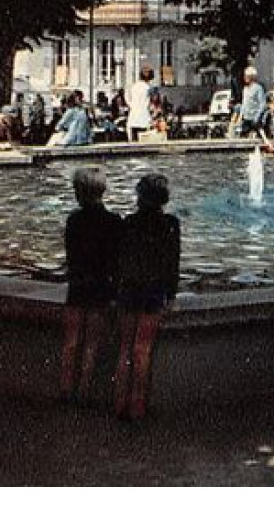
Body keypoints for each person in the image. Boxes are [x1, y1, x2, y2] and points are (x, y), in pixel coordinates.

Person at [114, 173, 182, 421]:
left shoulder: (128, 223)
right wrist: (171, 295)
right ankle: (138, 406)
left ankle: (119, 403)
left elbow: (120, 260)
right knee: (142, 351)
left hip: (129, 289)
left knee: (125, 349)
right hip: (153, 292)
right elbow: (172, 262)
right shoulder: (171, 224)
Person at [60, 166, 122, 403]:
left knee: (71, 341)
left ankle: (66, 388)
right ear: (102, 190)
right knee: (91, 343)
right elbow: (116, 260)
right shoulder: (113, 221)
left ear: (79, 191)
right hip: (101, 287)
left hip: (78, 285)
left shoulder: (74, 220)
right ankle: (84, 390)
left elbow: (70, 255)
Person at [235, 67, 267, 140]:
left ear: (251, 77)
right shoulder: (245, 89)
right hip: (246, 118)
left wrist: (258, 116)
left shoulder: (258, 88)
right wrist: (240, 116)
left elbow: (262, 104)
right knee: (242, 136)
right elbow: (244, 103)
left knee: (262, 137)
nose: (244, 78)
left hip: (255, 118)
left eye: (246, 76)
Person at [126, 67, 154, 143]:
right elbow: (152, 102)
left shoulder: (134, 86)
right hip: (144, 118)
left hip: (133, 118)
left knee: (133, 144)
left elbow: (128, 100)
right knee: (145, 143)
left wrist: (132, 106)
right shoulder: (149, 88)